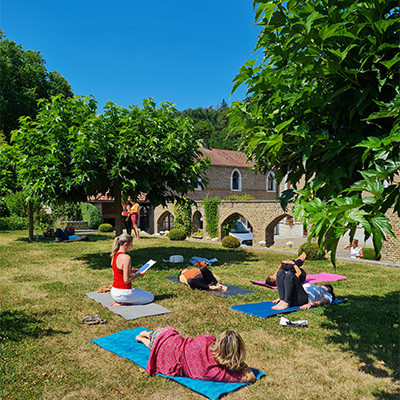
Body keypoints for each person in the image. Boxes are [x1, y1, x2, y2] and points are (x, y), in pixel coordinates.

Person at [135, 326, 256, 383]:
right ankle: (144, 338)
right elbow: (250, 377)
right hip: (167, 356)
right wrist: (241, 364)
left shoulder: (208, 339)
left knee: (159, 338)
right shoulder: (214, 371)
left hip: (168, 336)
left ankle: (147, 334)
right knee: (156, 349)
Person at [109, 233, 154, 306]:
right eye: (131, 244)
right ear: (126, 244)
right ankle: (125, 302)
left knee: (140, 293)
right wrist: (138, 275)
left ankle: (121, 301)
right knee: (150, 297)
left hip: (114, 291)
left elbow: (117, 272)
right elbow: (126, 280)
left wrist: (131, 271)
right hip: (123, 293)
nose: (132, 246)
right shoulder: (126, 258)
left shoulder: (114, 255)